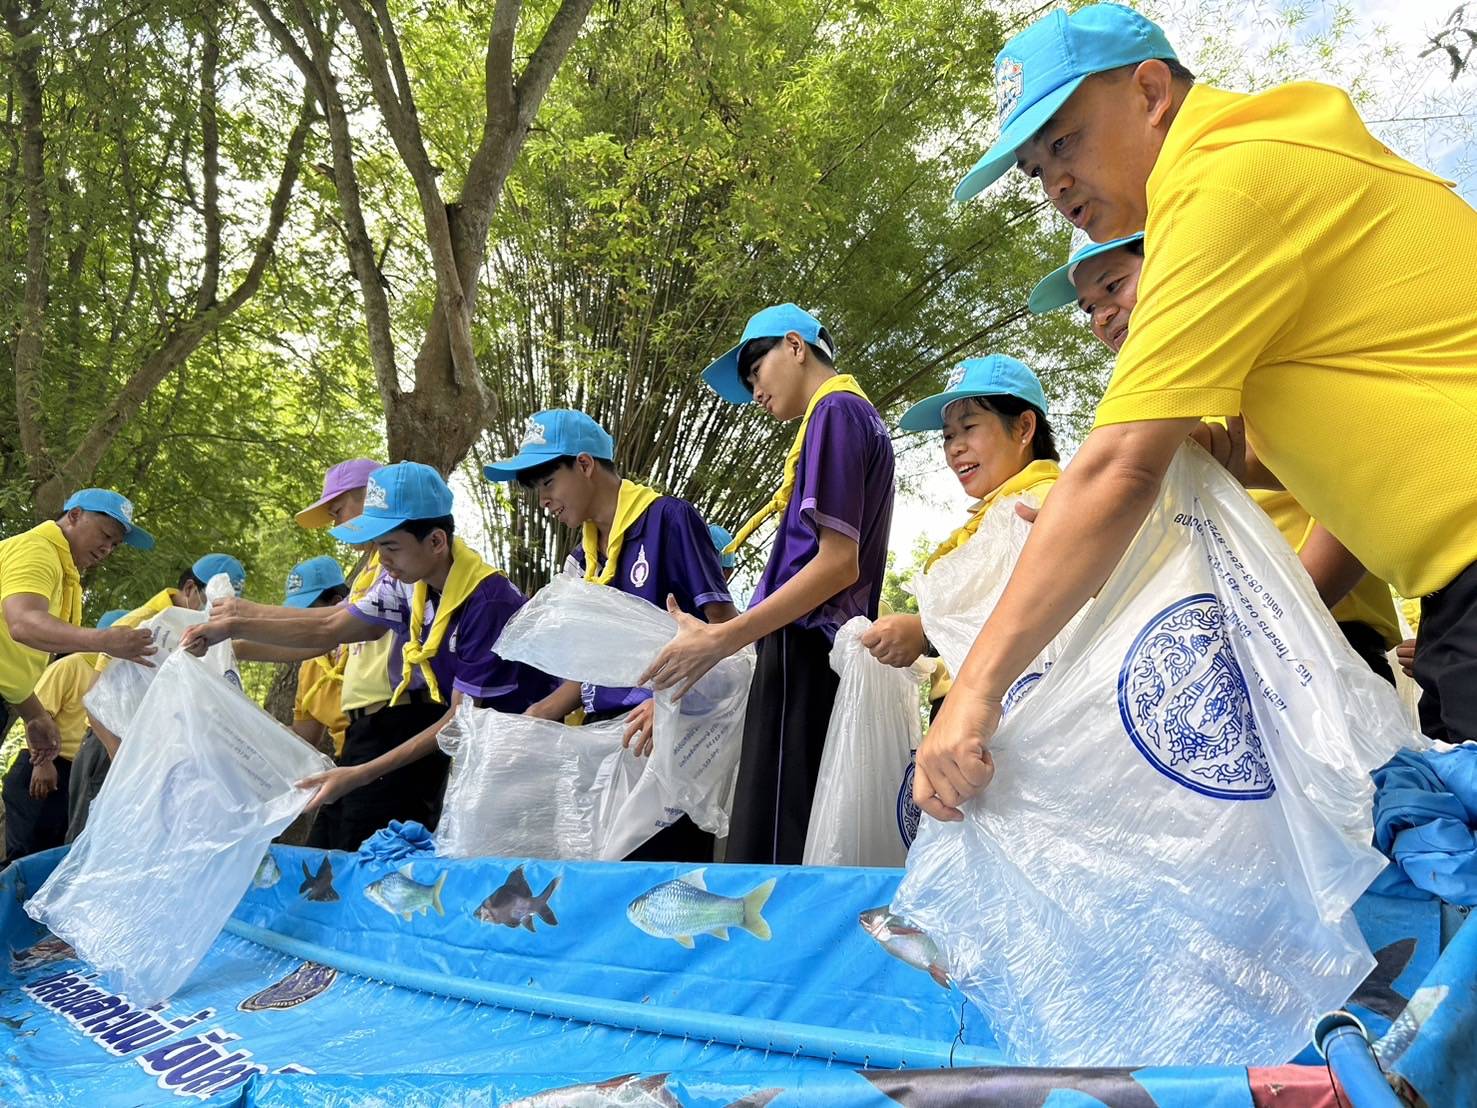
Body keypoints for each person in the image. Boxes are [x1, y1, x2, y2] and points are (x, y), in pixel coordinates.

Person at [919, 1, 1477, 822]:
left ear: (1150, 91)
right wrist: (1236, 466)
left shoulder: (1224, 179)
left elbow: (1117, 467)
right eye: (1035, 168)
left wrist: (975, 691)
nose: (1054, 185)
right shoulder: (1252, 156)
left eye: (1064, 141)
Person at [1029, 230, 1402, 684]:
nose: (1103, 315)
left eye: (1112, 286)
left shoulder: (1262, 357)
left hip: (1323, 642)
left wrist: (1279, 618)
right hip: (1227, 656)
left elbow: (1359, 481)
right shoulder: (1158, 412)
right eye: (1088, 308)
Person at [640, 303, 896, 864]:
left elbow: (836, 564)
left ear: (796, 346)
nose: (754, 390)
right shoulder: (853, 417)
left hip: (803, 646)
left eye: (755, 370)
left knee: (777, 838)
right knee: (790, 826)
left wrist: (722, 639)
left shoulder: (836, 412)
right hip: (804, 646)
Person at [185, 462, 556, 848]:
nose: (383, 559)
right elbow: (331, 628)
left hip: (529, 756)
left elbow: (457, 720)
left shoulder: (486, 602)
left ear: (435, 542)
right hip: (480, 751)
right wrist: (234, 631)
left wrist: (360, 773)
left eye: (391, 547)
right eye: (378, 547)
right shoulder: (405, 587)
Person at [484, 409, 737, 862]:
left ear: (584, 464)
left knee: (659, 894)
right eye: (533, 490)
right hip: (605, 743)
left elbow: (727, 634)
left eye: (546, 483)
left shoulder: (668, 520)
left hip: (665, 740)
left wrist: (668, 703)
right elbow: (589, 675)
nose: (542, 500)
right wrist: (534, 718)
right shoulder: (582, 559)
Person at [860, 355, 1061, 691]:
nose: (955, 448)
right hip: (969, 704)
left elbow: (1026, 610)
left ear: (1024, 428)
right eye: (948, 436)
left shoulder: (1040, 504)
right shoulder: (992, 515)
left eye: (969, 428)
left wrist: (926, 633)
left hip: (1012, 709)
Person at [0, 490, 155, 771]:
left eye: (115, 545)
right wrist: (105, 640)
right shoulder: (37, 550)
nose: (108, 549)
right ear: (74, 515)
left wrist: (35, 715)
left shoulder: (62, 572)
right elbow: (22, 624)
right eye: (105, 535)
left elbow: (9, 659)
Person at [3, 609, 128, 860]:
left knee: (57, 851)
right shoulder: (72, 665)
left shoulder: (120, 676)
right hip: (44, 767)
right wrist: (43, 763)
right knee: (25, 850)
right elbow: (40, 718)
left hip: (77, 772)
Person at [283, 556, 352, 757]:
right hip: (348, 761)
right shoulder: (309, 667)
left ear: (336, 604)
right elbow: (303, 737)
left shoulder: (369, 643)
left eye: (307, 611)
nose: (298, 621)